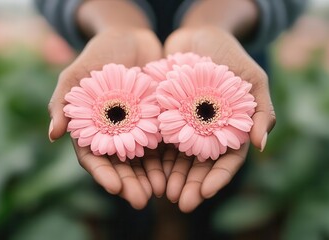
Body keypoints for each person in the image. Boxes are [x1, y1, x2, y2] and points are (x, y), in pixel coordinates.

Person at [35, 0, 306, 239]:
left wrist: (212, 21)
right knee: (120, 205)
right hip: (107, 45)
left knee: (216, 203)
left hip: (227, 52)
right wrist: (114, 20)